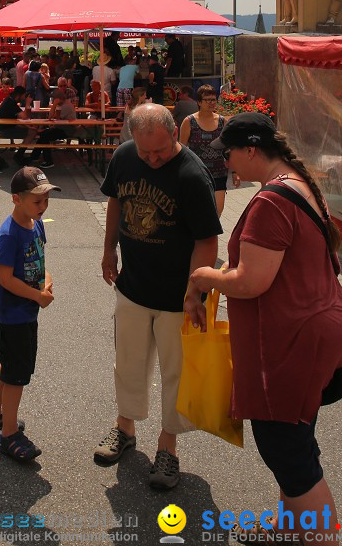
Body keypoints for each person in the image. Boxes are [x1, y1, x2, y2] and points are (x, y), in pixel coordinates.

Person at [191, 113, 342, 544]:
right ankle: (288, 528)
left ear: (250, 150)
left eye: (228, 154)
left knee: (291, 455)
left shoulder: (270, 201)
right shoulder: (297, 184)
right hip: (319, 333)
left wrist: (205, 277)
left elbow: (250, 282)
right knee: (296, 442)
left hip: (290, 344)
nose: (226, 164)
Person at [94, 103, 222, 489]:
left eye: (160, 152)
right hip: (133, 285)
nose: (151, 160)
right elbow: (115, 199)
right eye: (145, 152)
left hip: (177, 296)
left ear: (173, 134)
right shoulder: (124, 156)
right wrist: (107, 249)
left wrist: (194, 293)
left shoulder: (193, 175)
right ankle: (126, 428)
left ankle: (168, 447)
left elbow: (206, 240)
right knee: (128, 362)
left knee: (175, 374)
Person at [0, 166, 57, 462]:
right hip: (14, 313)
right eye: (37, 201)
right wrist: (37, 295)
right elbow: (6, 279)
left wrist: (45, 280)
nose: (43, 206)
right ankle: (9, 433)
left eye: (46, 200)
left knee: (10, 363)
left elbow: (39, 260)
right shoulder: (9, 235)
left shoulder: (36, 225)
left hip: (25, 310)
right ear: (16, 199)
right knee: (17, 375)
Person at [178, 85, 228, 215]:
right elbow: (182, 148)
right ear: (199, 102)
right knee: (198, 212)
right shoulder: (189, 122)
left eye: (213, 99)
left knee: (217, 211)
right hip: (197, 174)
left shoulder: (223, 122)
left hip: (219, 173)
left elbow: (229, 148)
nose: (211, 103)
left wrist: (236, 172)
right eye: (207, 100)